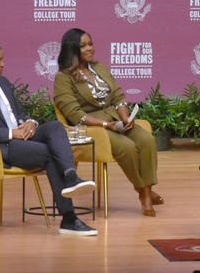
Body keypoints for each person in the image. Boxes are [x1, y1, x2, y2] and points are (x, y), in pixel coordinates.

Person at [0, 40, 98, 236]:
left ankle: (71, 176)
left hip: (21, 136)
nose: (3, 64)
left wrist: (30, 123)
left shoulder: (3, 83)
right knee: (49, 154)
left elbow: (18, 114)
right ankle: (69, 218)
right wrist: (11, 133)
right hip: (1, 147)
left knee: (55, 126)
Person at [53, 28, 161, 217]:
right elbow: (75, 114)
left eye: (91, 44)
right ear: (72, 50)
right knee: (126, 147)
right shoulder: (63, 78)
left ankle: (146, 189)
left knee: (147, 140)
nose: (90, 49)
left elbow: (118, 96)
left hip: (115, 119)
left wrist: (126, 117)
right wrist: (105, 125)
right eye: (83, 46)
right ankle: (144, 192)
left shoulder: (100, 67)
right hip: (90, 127)